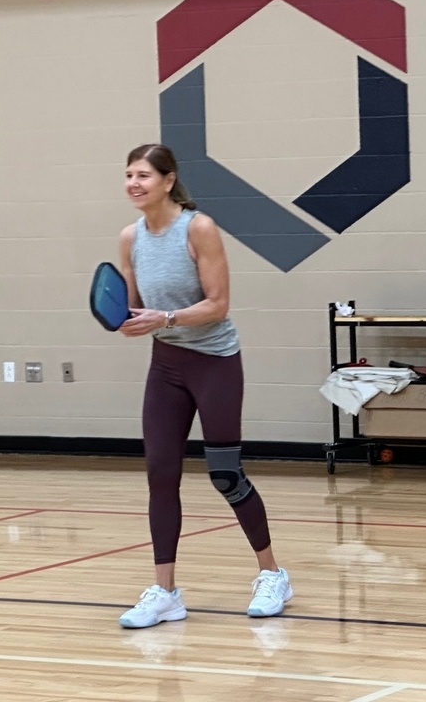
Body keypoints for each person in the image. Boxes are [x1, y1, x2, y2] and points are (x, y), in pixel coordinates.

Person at [115, 143, 293, 629]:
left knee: (225, 475)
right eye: (129, 175)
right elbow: (133, 308)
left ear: (168, 181)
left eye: (144, 175)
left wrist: (165, 316)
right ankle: (166, 592)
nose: (134, 183)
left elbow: (218, 305)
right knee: (160, 474)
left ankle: (272, 574)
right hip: (166, 366)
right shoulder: (130, 237)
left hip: (214, 363)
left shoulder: (198, 228)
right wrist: (123, 318)